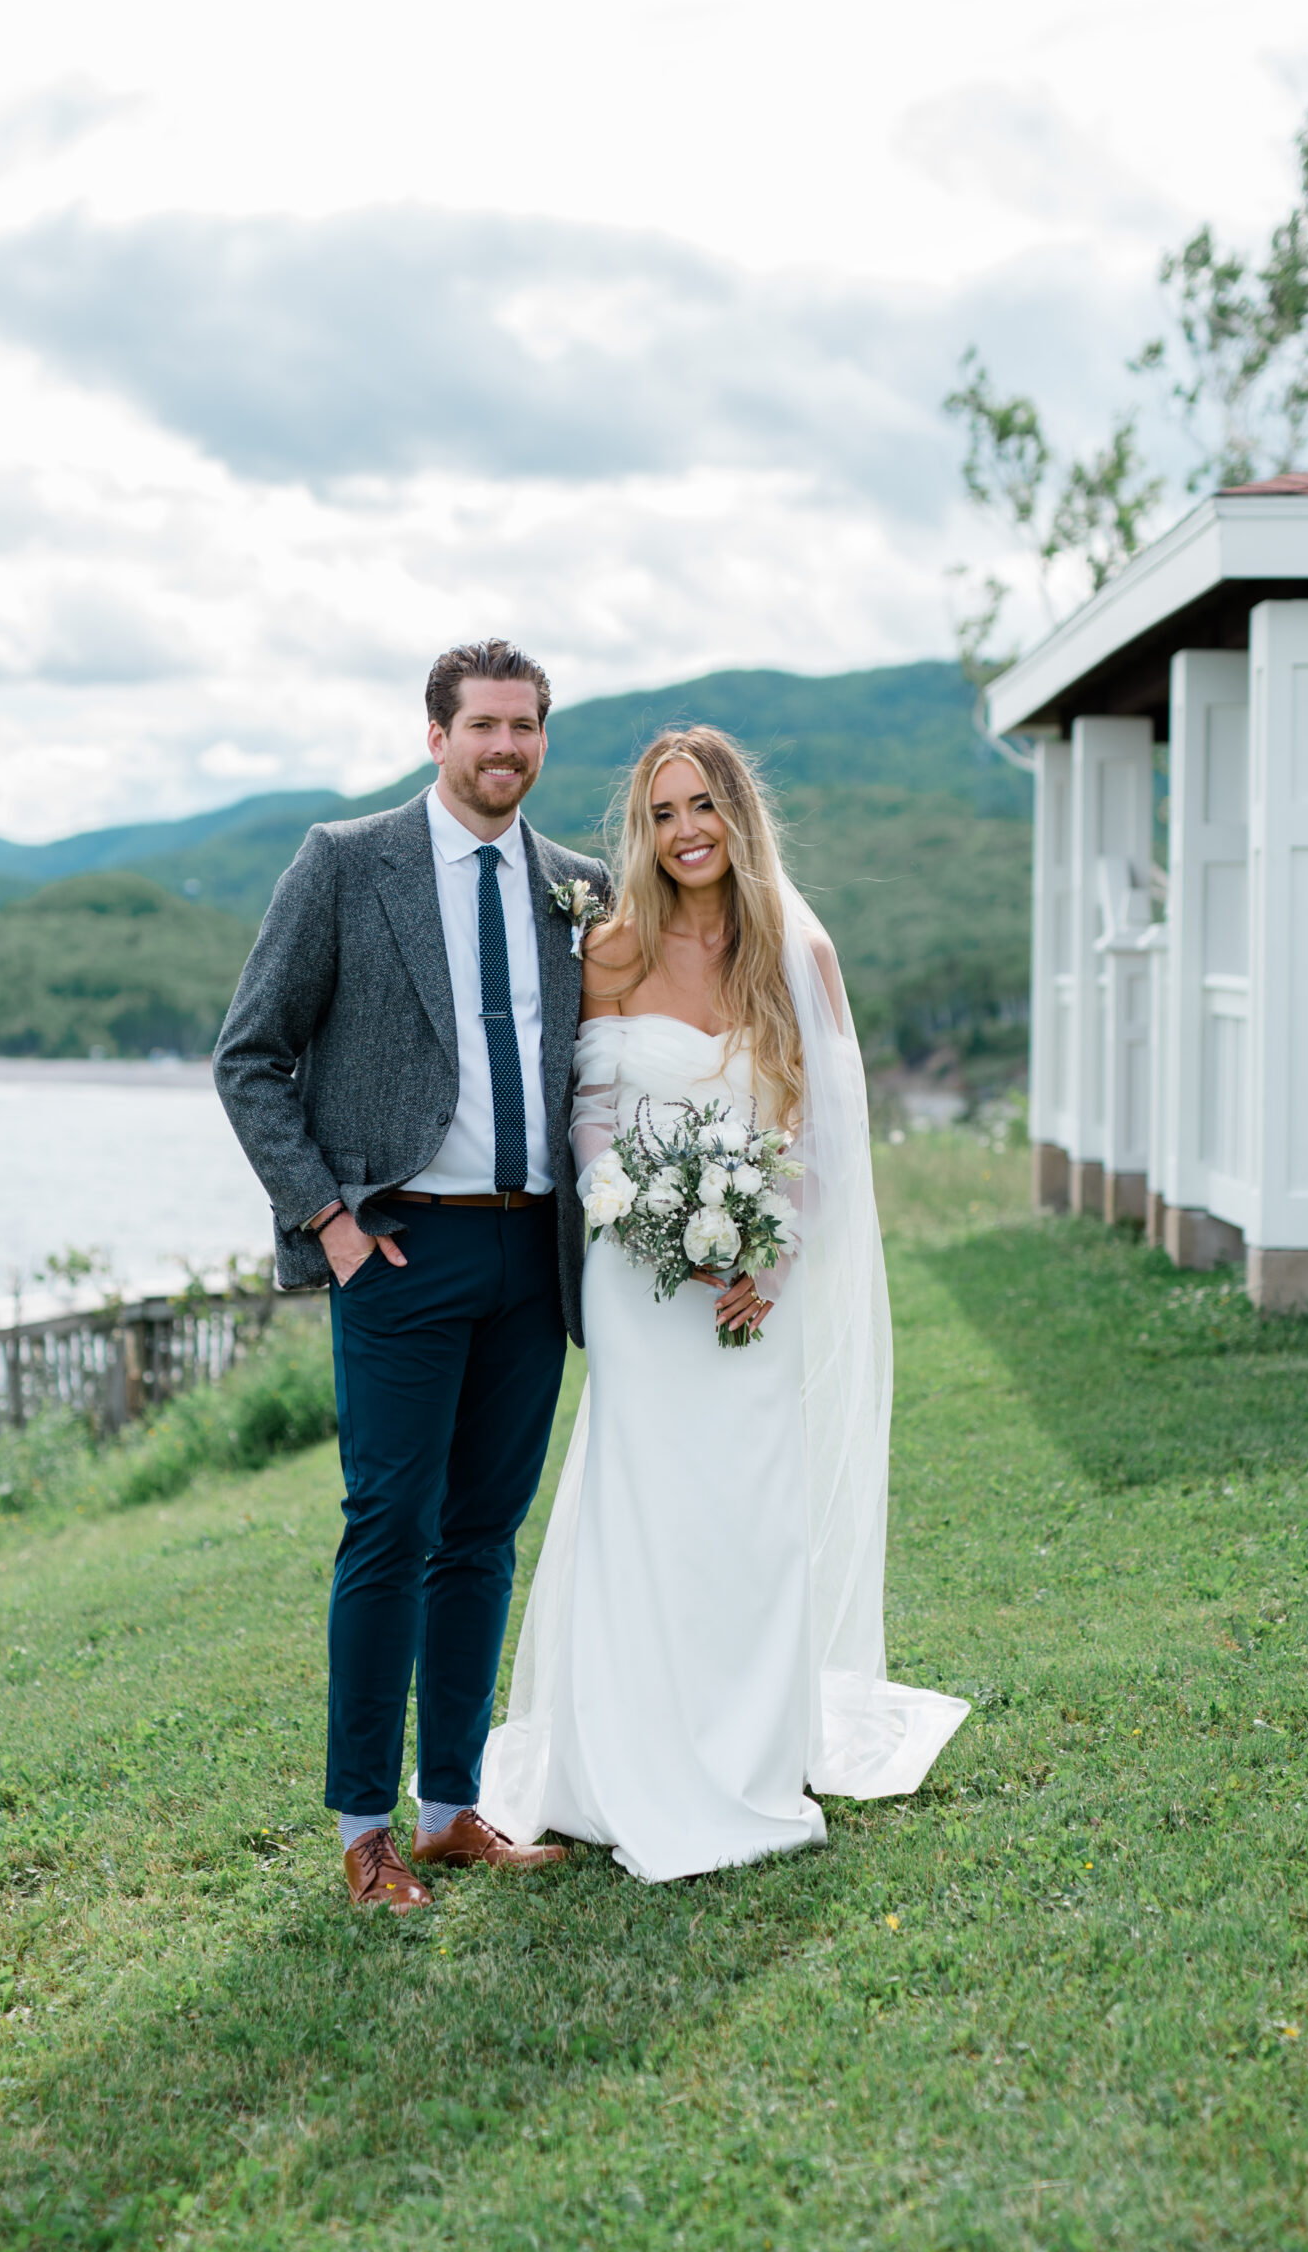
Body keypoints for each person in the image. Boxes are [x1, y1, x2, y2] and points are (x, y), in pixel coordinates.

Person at [478, 726, 969, 1881]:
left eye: (702, 805)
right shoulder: (613, 947)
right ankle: (624, 1754)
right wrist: (625, 1203)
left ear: (739, 816)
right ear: (642, 832)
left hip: (757, 1276)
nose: (684, 828)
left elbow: (815, 1129)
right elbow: (590, 1102)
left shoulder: (798, 952)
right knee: (640, 1501)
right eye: (661, 812)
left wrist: (772, 1258)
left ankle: (746, 1751)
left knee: (749, 1510)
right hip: (637, 1273)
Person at [215, 639, 612, 1912]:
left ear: (544, 739)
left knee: (483, 1535)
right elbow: (250, 1056)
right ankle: (362, 1829)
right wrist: (328, 1220)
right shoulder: (348, 863)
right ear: (435, 733)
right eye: (484, 725)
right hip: (398, 1244)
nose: (506, 748)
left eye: (526, 727)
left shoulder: (581, 887)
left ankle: (451, 1810)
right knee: (389, 1531)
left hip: (532, 1250)